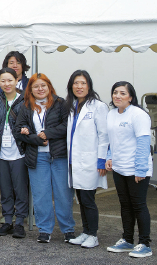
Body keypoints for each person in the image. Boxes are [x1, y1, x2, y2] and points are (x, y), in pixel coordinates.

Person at [13, 73, 74, 243]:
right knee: (41, 195)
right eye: (36, 86)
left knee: (63, 193)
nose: (40, 89)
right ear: (30, 89)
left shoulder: (60, 103)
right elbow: (19, 130)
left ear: (49, 87)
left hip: (59, 155)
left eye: (43, 86)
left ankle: (68, 229)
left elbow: (66, 126)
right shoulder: (26, 106)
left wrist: (47, 133)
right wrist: (34, 137)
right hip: (37, 156)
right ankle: (45, 230)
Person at [105, 81, 153, 258]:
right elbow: (112, 138)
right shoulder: (111, 114)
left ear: (131, 97)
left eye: (123, 93)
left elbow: (143, 143)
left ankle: (145, 244)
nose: (118, 96)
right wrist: (109, 156)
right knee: (125, 205)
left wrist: (141, 169)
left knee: (138, 205)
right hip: (119, 167)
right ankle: (127, 240)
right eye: (115, 92)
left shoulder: (138, 115)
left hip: (136, 169)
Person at [64, 70, 108, 249]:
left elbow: (104, 135)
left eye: (82, 83)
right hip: (75, 160)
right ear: (71, 86)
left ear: (89, 85)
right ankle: (86, 231)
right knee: (81, 198)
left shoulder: (98, 106)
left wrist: (101, 160)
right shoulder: (72, 105)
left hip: (90, 161)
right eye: (76, 83)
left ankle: (93, 234)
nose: (79, 86)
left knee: (88, 199)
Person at [0, 68, 28, 239]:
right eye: (3, 81)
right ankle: (7, 221)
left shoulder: (25, 101)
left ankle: (19, 222)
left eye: (10, 80)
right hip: (0, 153)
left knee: (20, 190)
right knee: (5, 189)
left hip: (19, 152)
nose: (6, 84)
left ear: (16, 81)